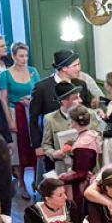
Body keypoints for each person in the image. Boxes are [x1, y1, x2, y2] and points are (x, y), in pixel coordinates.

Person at [29, 50, 82, 178]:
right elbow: (33, 118)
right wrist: (37, 145)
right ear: (63, 68)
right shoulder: (42, 87)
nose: (79, 69)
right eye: (75, 65)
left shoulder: (80, 84)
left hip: (77, 141)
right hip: (53, 144)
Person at [0, 42, 40, 200]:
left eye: (26, 56)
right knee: (18, 150)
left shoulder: (33, 71)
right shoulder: (5, 74)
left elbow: (38, 91)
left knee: (33, 146)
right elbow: (3, 98)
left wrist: (31, 99)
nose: (24, 59)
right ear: (14, 56)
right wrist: (9, 120)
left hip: (31, 112)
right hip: (15, 111)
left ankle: (37, 180)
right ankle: (22, 183)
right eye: (21, 56)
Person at [43, 82, 100, 176]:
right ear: (64, 101)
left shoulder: (89, 114)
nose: (80, 100)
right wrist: (53, 153)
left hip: (88, 169)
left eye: (79, 97)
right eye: (75, 98)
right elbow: (46, 145)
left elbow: (99, 135)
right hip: (64, 169)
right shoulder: (50, 119)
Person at [59, 105, 102, 211]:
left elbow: (81, 174)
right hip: (90, 177)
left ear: (73, 122)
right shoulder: (91, 135)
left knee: (79, 210)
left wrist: (62, 178)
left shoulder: (83, 144)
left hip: (82, 186)